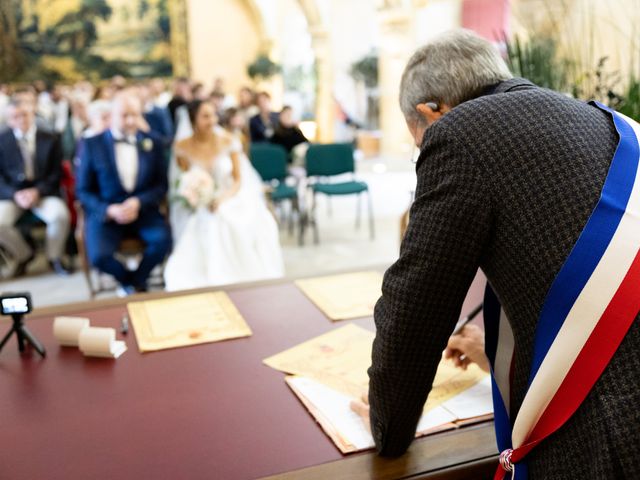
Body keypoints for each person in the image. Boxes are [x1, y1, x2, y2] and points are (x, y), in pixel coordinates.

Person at [353, 29, 639, 479]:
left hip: (610, 436)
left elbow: (414, 309)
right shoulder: (605, 122)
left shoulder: (460, 133)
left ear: (432, 112)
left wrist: (388, 428)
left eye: (417, 146)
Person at [163, 99, 284, 291]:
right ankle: (208, 274)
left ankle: (236, 273)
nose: (211, 120)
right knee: (205, 219)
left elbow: (238, 179)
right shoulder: (182, 147)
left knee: (227, 217)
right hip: (201, 202)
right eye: (205, 116)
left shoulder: (228, 141)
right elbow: (184, 179)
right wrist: (195, 194)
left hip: (231, 195)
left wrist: (222, 198)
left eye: (213, 115)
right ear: (193, 119)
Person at [76, 92, 172, 296]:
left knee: (163, 242)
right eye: (124, 115)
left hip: (143, 211)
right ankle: (129, 281)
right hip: (107, 213)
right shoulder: (92, 145)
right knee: (99, 257)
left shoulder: (152, 142)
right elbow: (83, 190)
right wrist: (109, 209)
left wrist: (139, 202)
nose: (130, 121)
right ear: (111, 115)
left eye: (134, 115)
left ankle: (136, 282)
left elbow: (161, 185)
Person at [0, 99, 72, 276]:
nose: (21, 120)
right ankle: (24, 255)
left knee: (60, 215)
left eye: (24, 114)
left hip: (43, 192)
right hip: (13, 195)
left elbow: (57, 174)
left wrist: (37, 191)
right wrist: (15, 194)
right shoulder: (2, 141)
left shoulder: (50, 138)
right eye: (15, 116)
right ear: (9, 120)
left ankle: (54, 257)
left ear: (32, 114)